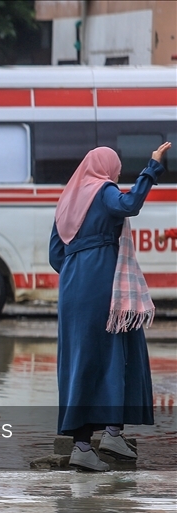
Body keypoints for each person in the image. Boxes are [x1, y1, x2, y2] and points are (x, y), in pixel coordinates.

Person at [49, 142, 169, 471]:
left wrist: (77, 270)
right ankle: (102, 438)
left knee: (81, 357)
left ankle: (93, 440)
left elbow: (55, 255)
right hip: (101, 279)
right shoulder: (103, 191)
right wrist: (152, 168)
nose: (116, 175)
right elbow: (129, 205)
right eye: (116, 169)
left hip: (72, 285)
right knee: (116, 350)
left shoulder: (66, 200)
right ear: (107, 168)